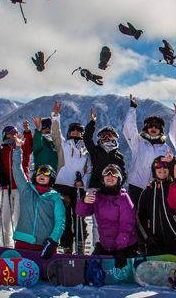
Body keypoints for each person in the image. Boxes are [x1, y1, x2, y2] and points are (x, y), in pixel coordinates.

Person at [9, 132, 65, 259]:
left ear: (51, 178)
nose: (41, 175)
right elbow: (17, 169)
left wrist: (53, 240)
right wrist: (18, 148)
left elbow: (60, 222)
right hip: (23, 243)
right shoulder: (26, 189)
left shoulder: (55, 198)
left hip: (45, 245)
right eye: (39, 172)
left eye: (46, 173)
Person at [76, 164, 138, 268]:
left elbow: (126, 225)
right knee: (90, 268)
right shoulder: (97, 197)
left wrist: (121, 249)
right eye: (106, 173)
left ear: (118, 179)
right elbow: (81, 213)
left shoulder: (123, 198)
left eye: (113, 174)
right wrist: (84, 202)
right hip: (107, 246)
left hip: (125, 245)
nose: (109, 176)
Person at [50, 101, 92, 254]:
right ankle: (67, 247)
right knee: (65, 219)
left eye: (79, 130)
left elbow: (89, 171)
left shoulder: (86, 151)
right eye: (72, 130)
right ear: (68, 133)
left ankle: (81, 246)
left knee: (80, 217)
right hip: (62, 186)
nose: (75, 132)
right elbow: (55, 133)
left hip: (79, 188)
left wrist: (83, 182)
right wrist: (56, 116)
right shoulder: (63, 145)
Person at [123, 94, 171, 205]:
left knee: (151, 217)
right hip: (136, 185)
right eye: (150, 125)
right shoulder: (138, 142)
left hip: (155, 187)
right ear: (146, 128)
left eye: (157, 126)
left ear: (161, 130)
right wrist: (132, 109)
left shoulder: (165, 149)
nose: (153, 128)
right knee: (134, 215)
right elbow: (128, 128)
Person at [136, 156, 176, 256]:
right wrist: (148, 237)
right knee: (155, 270)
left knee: (175, 270)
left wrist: (173, 162)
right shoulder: (147, 192)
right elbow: (141, 217)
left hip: (174, 239)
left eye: (165, 166)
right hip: (154, 241)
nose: (162, 169)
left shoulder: (175, 187)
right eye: (158, 166)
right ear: (154, 170)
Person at [0, 121, 33, 247]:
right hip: (6, 187)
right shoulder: (2, 150)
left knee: (20, 217)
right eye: (9, 132)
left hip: (20, 188)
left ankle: (20, 243)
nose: (12, 134)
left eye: (15, 132)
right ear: (4, 136)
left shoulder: (22, 147)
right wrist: (0, 177)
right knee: (6, 218)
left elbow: (29, 146)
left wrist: (27, 132)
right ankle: (6, 244)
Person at [83, 108, 127, 191]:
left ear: (113, 139)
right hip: (95, 187)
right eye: (104, 136)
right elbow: (87, 139)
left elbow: (123, 174)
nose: (106, 138)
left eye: (109, 136)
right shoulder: (95, 151)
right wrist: (92, 123)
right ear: (100, 139)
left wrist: (117, 185)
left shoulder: (118, 156)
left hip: (112, 188)